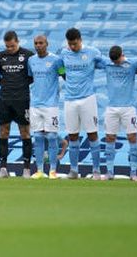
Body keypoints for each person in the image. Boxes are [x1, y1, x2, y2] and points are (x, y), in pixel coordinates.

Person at [58, 28, 105, 179]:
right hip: (70, 99)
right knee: (72, 136)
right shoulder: (64, 53)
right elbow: (60, 68)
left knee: (92, 134)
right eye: (70, 44)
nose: (72, 47)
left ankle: (96, 171)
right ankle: (73, 170)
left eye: (75, 44)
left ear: (80, 39)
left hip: (87, 99)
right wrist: (68, 79)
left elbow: (107, 64)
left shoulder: (92, 52)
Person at [0, 30, 34, 178]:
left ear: (18, 42)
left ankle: (27, 169)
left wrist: (20, 85)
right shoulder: (0, 56)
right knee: (4, 131)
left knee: (25, 132)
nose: (9, 49)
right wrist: (6, 85)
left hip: (22, 99)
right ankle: (3, 169)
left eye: (12, 46)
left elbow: (33, 76)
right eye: (7, 46)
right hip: (4, 99)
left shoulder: (28, 55)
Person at [100, 44, 137, 181]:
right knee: (109, 138)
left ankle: (133, 172)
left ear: (122, 54)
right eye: (113, 61)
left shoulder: (132, 64)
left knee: (132, 137)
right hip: (112, 107)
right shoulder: (107, 63)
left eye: (117, 60)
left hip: (128, 108)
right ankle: (109, 172)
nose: (116, 63)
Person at [28, 34, 63, 179]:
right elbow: (30, 78)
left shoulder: (56, 60)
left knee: (52, 137)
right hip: (35, 104)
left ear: (47, 43)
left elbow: (64, 75)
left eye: (41, 43)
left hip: (51, 105)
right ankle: (40, 170)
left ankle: (53, 170)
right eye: (36, 43)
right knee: (38, 137)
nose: (38, 45)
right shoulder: (31, 60)